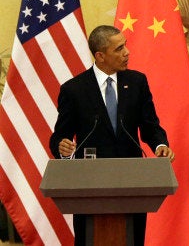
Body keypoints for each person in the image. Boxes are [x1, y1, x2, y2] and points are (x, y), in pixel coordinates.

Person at [49, 25, 175, 245]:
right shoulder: (74, 90)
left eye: (125, 45)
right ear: (100, 56)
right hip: (89, 185)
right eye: (118, 48)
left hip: (132, 183)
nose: (127, 52)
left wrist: (159, 145)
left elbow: (150, 126)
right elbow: (60, 136)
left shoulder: (137, 82)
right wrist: (63, 147)